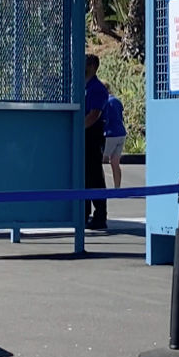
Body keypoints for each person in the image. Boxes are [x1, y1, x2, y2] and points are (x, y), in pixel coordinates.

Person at [83, 54, 109, 230]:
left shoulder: (97, 88)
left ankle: (100, 215)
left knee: (94, 176)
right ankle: (83, 213)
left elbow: (94, 114)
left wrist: (79, 129)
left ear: (92, 66)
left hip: (91, 135)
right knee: (83, 176)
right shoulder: (82, 86)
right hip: (84, 134)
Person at [101, 90, 128, 189]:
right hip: (120, 133)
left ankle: (101, 187)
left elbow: (104, 118)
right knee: (115, 163)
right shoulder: (117, 101)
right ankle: (117, 188)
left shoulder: (105, 102)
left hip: (109, 134)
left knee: (99, 161)